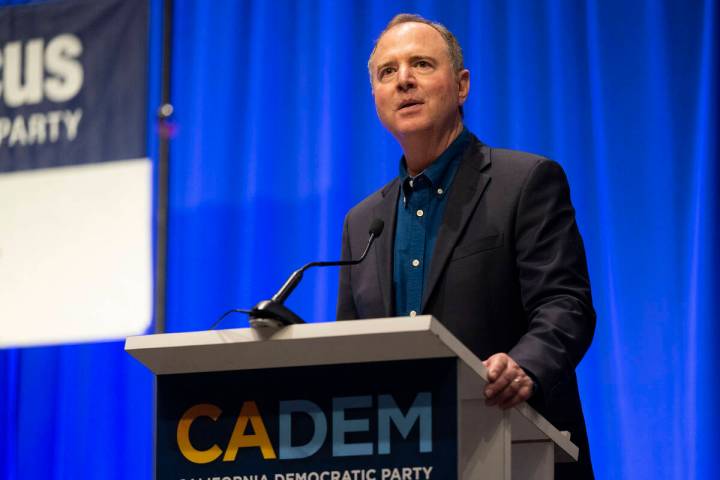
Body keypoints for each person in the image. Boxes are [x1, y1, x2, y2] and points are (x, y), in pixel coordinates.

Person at [336, 13, 596, 479]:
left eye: (421, 64)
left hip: (514, 451)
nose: (404, 81)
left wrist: (524, 366)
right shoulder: (362, 223)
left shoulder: (525, 183)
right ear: (375, 96)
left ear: (461, 86)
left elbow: (566, 305)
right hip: (400, 462)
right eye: (387, 72)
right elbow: (350, 354)